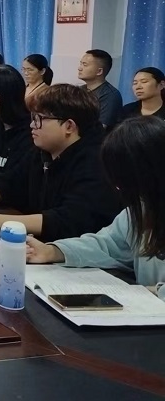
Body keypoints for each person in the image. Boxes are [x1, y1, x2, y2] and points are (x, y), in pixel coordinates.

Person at [0, 84, 120, 241]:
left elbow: (69, 219)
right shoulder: (43, 150)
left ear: (69, 126)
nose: (32, 125)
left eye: (39, 119)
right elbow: (11, 181)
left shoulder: (97, 161)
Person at [26, 117, 165, 299]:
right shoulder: (140, 211)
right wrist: (52, 251)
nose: (119, 188)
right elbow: (107, 245)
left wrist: (153, 291)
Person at [78, 49, 122, 128]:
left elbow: (101, 128)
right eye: (81, 64)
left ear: (99, 71)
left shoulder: (110, 95)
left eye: (85, 65)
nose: (79, 68)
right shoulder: (78, 91)